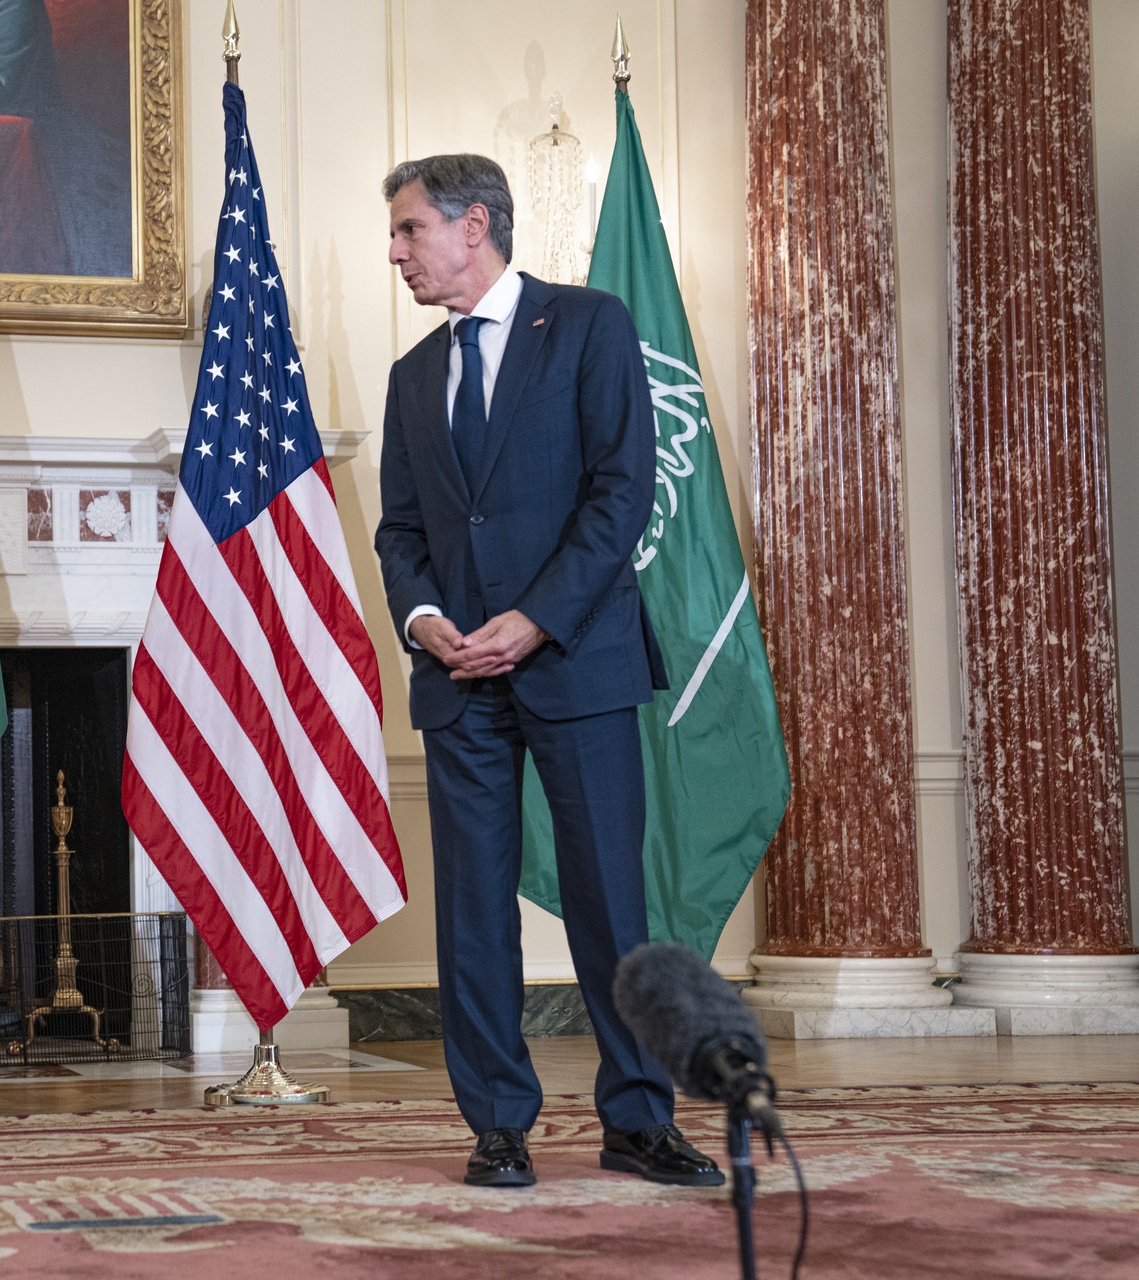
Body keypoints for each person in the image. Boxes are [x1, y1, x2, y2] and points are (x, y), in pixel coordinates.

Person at [374, 154, 721, 1190]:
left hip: (577, 658)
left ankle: (637, 1117)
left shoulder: (590, 325)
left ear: (473, 224)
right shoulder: (409, 377)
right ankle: (498, 1122)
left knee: (611, 901)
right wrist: (429, 618)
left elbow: (622, 495)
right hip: (458, 678)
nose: (395, 252)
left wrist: (532, 619)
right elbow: (401, 529)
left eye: (409, 230)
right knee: (473, 908)